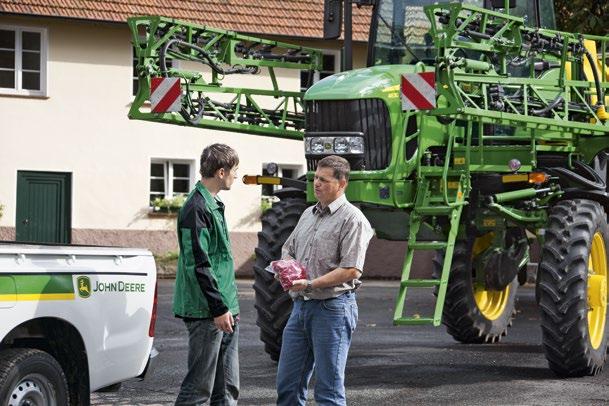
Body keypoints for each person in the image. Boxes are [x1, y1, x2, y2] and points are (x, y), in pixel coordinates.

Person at [276, 155, 374, 406]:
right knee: (288, 385)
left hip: (333, 309)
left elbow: (351, 270)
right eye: (315, 178)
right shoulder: (308, 214)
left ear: (342, 184)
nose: (316, 184)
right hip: (301, 308)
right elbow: (290, 249)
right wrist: (287, 268)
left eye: (323, 179)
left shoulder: (353, 219)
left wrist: (309, 284)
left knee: (328, 391)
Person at [174, 143, 240, 406]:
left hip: (224, 309)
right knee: (198, 390)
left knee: (226, 389)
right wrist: (218, 307)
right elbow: (199, 263)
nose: (237, 175)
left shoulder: (213, 204)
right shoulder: (196, 207)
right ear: (221, 172)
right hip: (208, 312)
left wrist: (227, 307)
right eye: (234, 170)